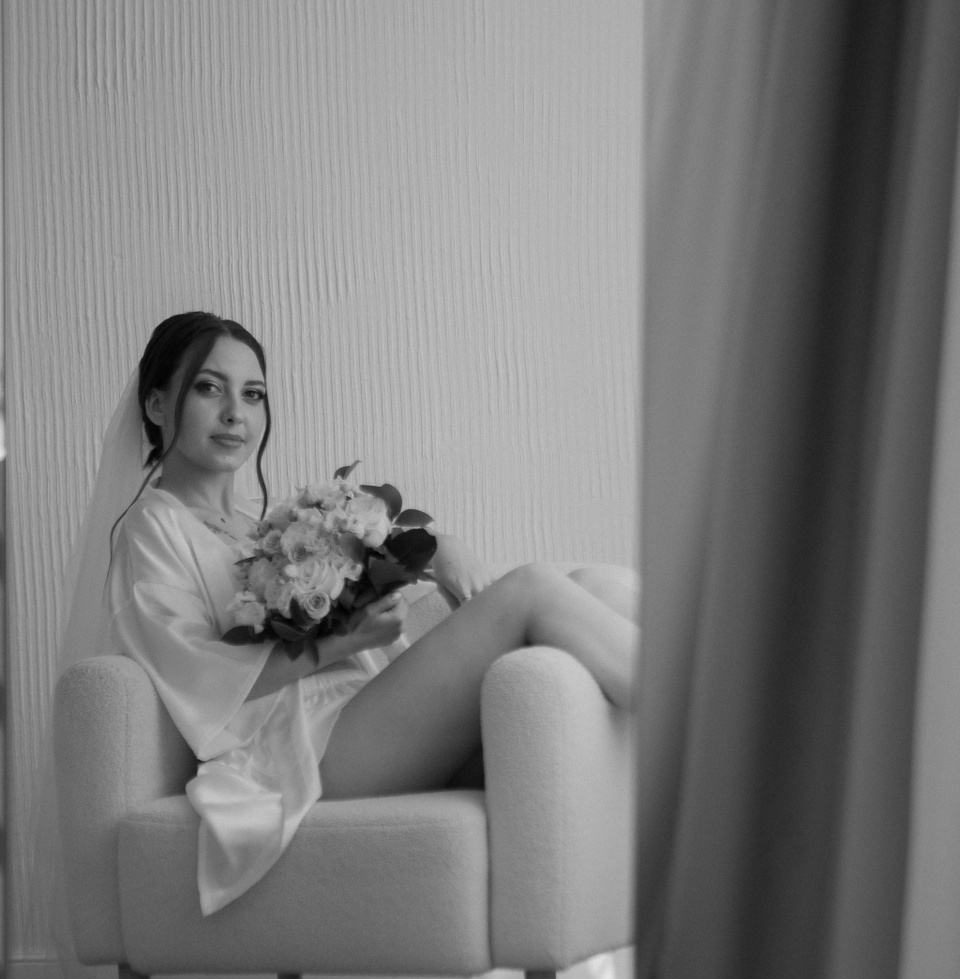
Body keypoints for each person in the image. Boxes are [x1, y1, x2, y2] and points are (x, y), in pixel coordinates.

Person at [66, 311, 640, 916]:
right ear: (157, 404)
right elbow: (194, 677)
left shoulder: (264, 524)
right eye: (210, 388)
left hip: (358, 712)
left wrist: (433, 549)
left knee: (598, 585)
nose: (236, 413)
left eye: (253, 394)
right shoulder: (151, 527)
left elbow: (368, 592)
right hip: (299, 746)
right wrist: (338, 644)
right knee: (531, 589)